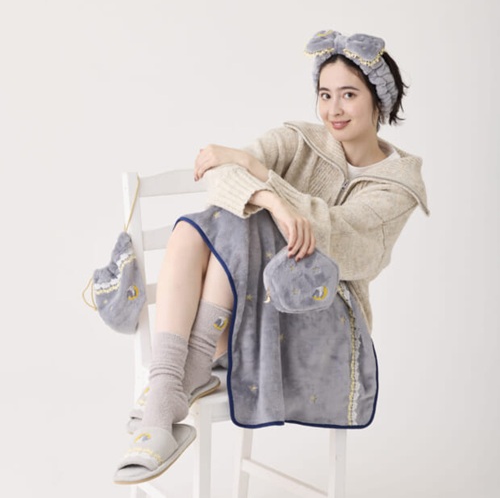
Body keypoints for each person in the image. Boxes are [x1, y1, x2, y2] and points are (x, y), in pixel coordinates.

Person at [114, 29, 429, 485]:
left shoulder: (397, 186)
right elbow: (221, 175)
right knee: (207, 221)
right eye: (325, 95)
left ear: (379, 100)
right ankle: (169, 387)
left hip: (325, 320)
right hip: (244, 312)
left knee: (252, 218)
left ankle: (174, 388)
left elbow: (338, 239)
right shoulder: (299, 139)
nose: (333, 110)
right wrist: (272, 200)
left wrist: (261, 178)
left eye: (348, 95)